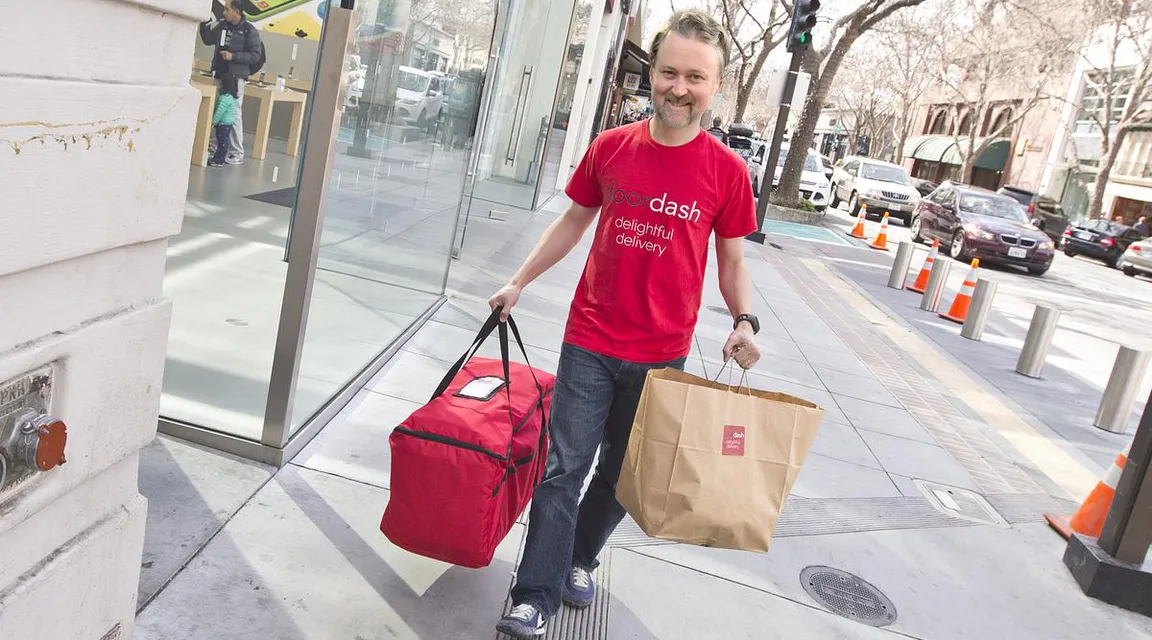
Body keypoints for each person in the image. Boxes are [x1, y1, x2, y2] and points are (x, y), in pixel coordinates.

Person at [490, 9, 762, 639]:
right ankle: (535, 592)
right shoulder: (611, 147)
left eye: (694, 77)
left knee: (622, 474)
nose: (678, 86)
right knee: (563, 469)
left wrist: (745, 321)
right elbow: (571, 223)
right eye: (668, 71)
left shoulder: (725, 172)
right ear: (654, 75)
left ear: (713, 87)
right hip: (589, 338)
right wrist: (518, 281)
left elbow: (733, 260)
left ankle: (579, 557)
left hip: (663, 352)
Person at [199, 1, 262, 165]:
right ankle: (214, 147)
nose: (224, 12)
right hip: (220, 74)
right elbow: (208, 39)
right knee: (216, 111)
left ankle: (236, 152)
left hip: (235, 78)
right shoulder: (222, 25)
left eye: (227, 9)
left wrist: (233, 56)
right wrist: (202, 22)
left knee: (232, 114)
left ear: (236, 11)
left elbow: (256, 55)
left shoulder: (249, 30)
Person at [209, 75, 240, 167]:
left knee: (222, 142)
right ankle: (217, 158)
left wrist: (213, 122)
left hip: (223, 123)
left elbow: (219, 112)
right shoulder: (231, 98)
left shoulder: (224, 99)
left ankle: (219, 160)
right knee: (222, 142)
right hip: (228, 123)